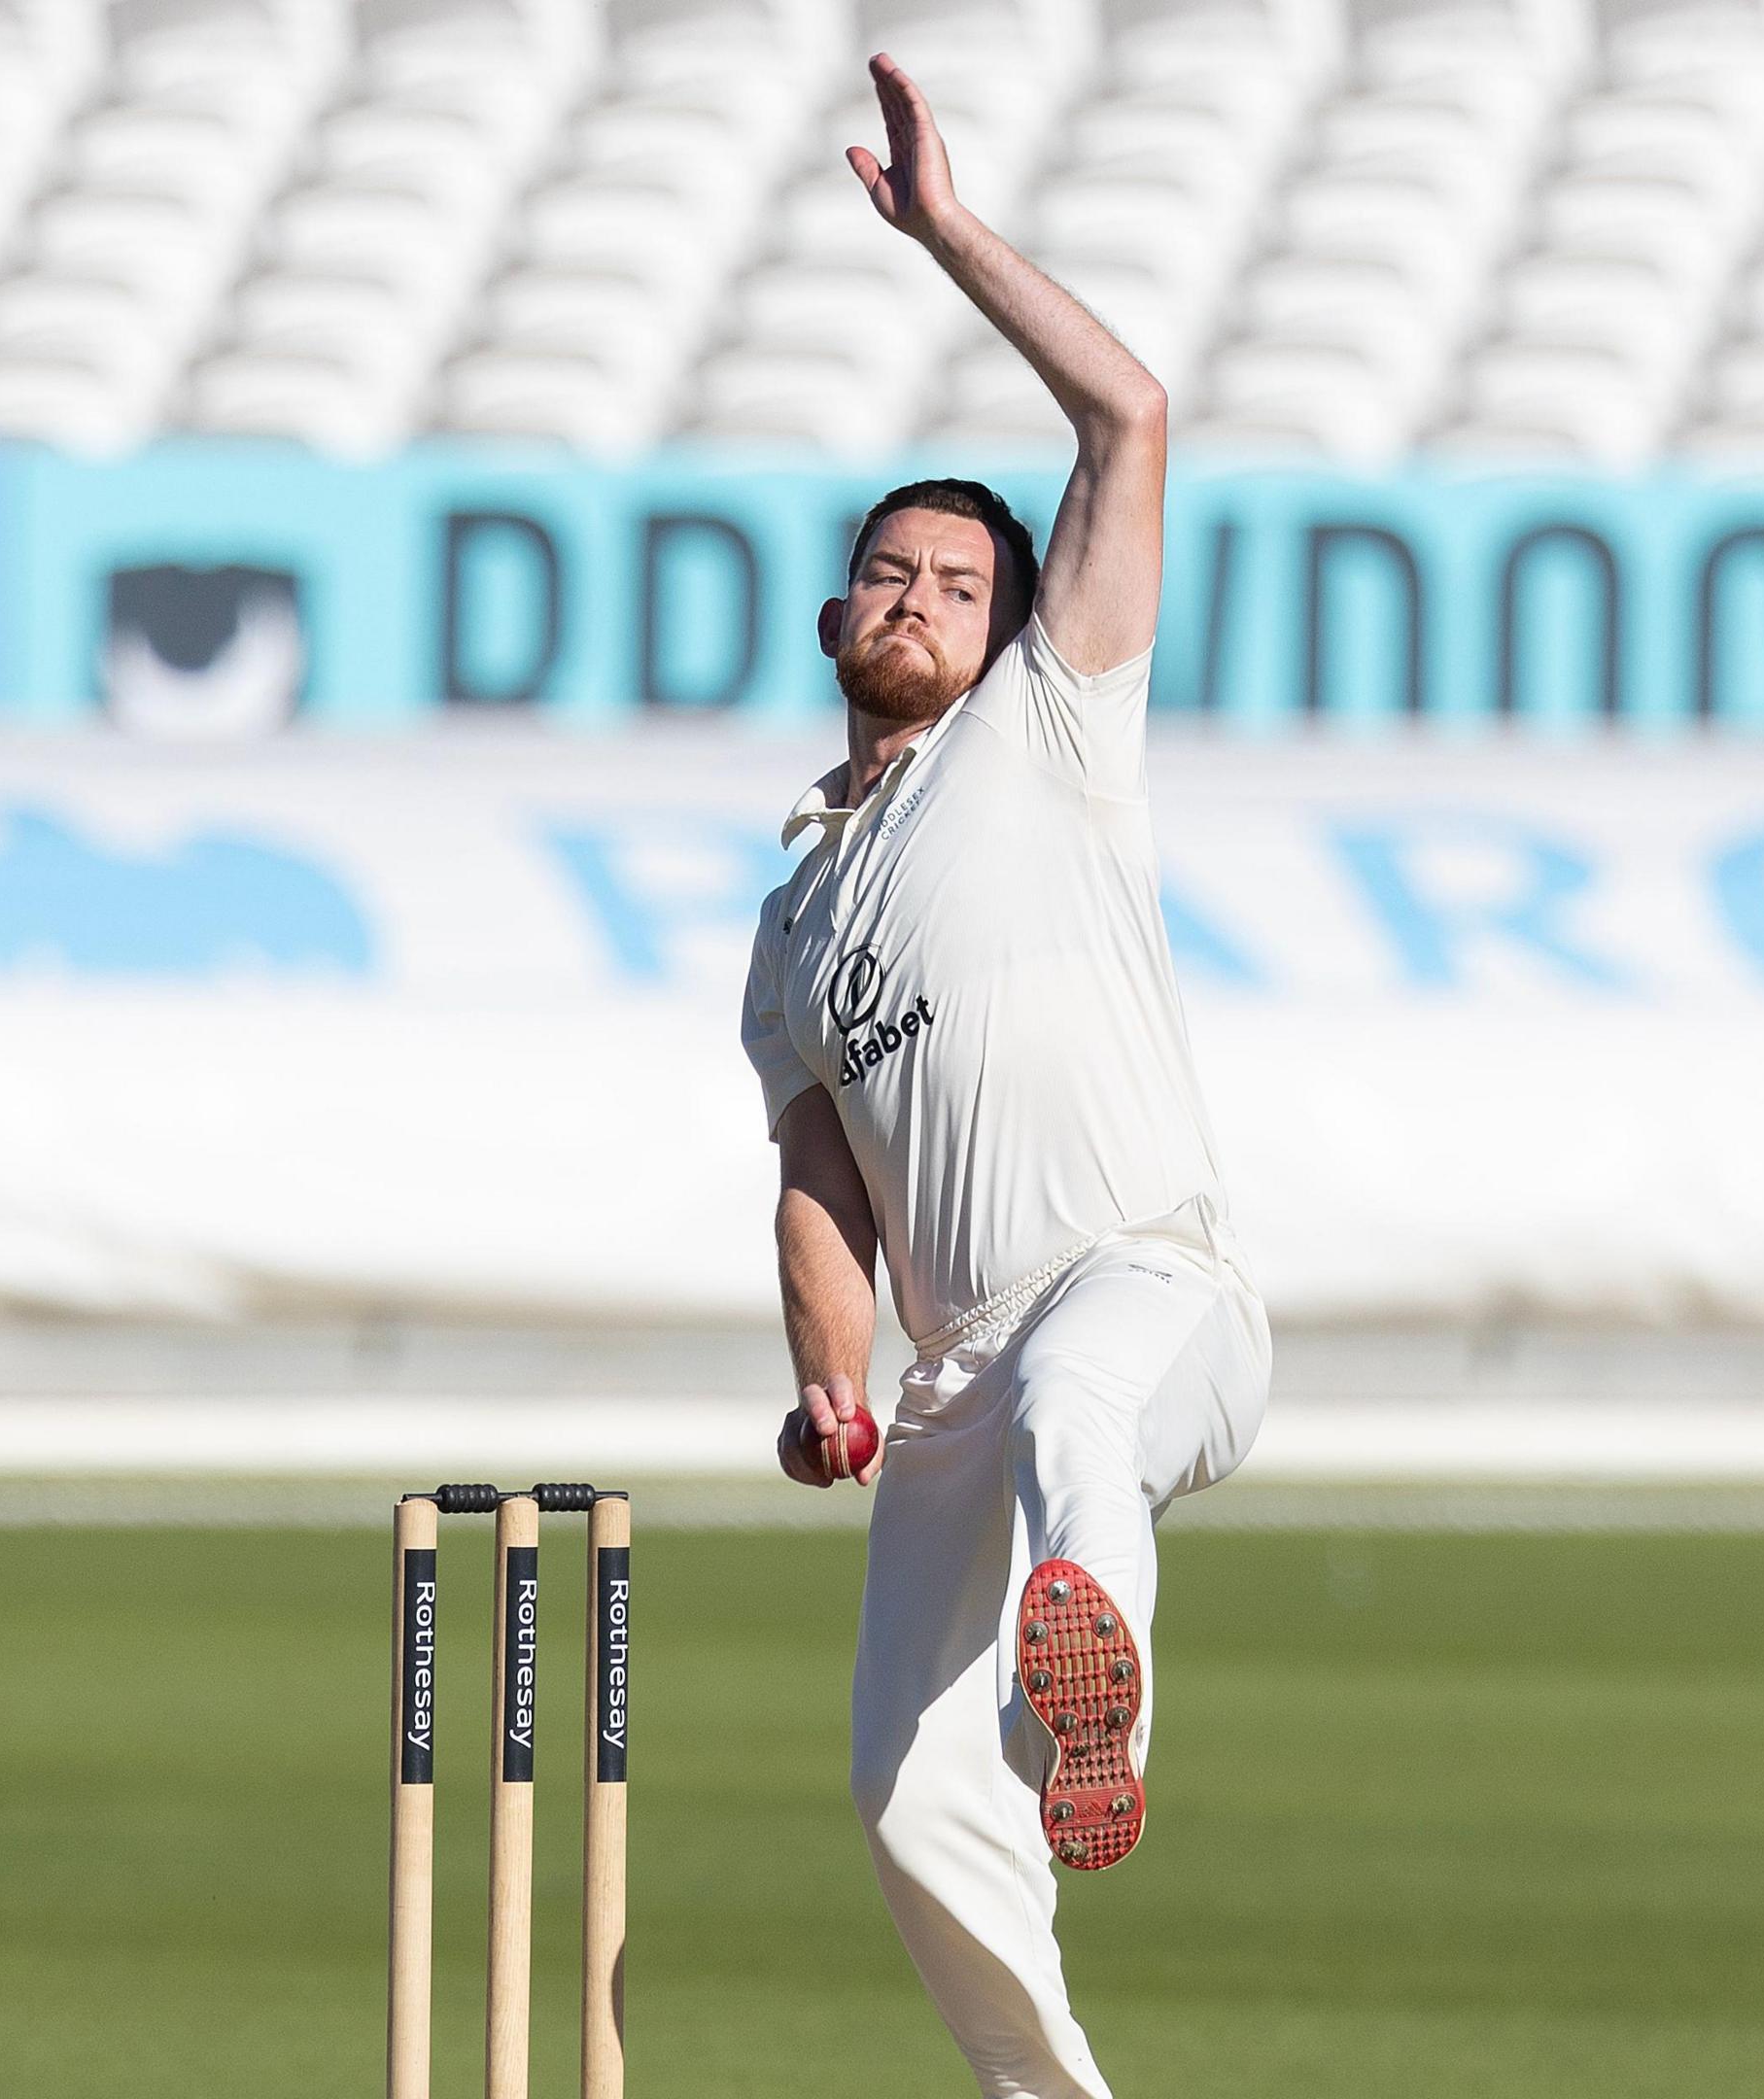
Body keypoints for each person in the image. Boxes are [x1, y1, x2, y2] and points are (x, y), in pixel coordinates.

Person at [737, 52, 1272, 2099]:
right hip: (951, 1391)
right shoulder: (794, 924)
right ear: (834, 616)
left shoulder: (1050, 732)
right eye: (893, 576)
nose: (922, 601)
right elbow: (818, 1180)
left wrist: (949, 235)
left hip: (1153, 1288)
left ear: (1010, 634)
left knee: (1076, 1391)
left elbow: (1129, 416)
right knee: (897, 1795)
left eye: (963, 587)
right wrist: (827, 1381)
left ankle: (1095, 1714)